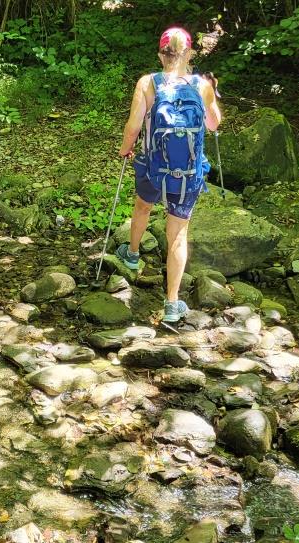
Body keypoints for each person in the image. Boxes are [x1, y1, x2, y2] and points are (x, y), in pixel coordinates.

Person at [116, 26, 222, 326]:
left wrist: (125, 150)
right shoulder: (202, 85)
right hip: (187, 174)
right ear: (189, 54)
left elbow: (133, 127)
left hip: (152, 167)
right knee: (177, 235)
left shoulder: (147, 83)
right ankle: (172, 303)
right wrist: (213, 94)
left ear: (161, 54)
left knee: (142, 206)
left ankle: (132, 254)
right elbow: (214, 125)